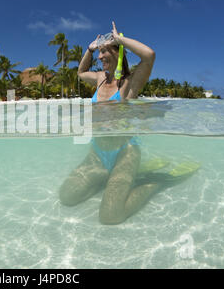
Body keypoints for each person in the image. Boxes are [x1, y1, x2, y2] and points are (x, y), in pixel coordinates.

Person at [59, 21, 162, 225]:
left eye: (104, 51)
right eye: (98, 52)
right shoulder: (99, 78)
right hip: (98, 153)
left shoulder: (129, 83)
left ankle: (154, 182)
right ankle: (108, 178)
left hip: (125, 153)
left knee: (110, 215)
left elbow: (149, 55)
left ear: (117, 52)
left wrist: (120, 39)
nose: (99, 57)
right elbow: (80, 73)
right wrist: (89, 49)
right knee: (67, 196)